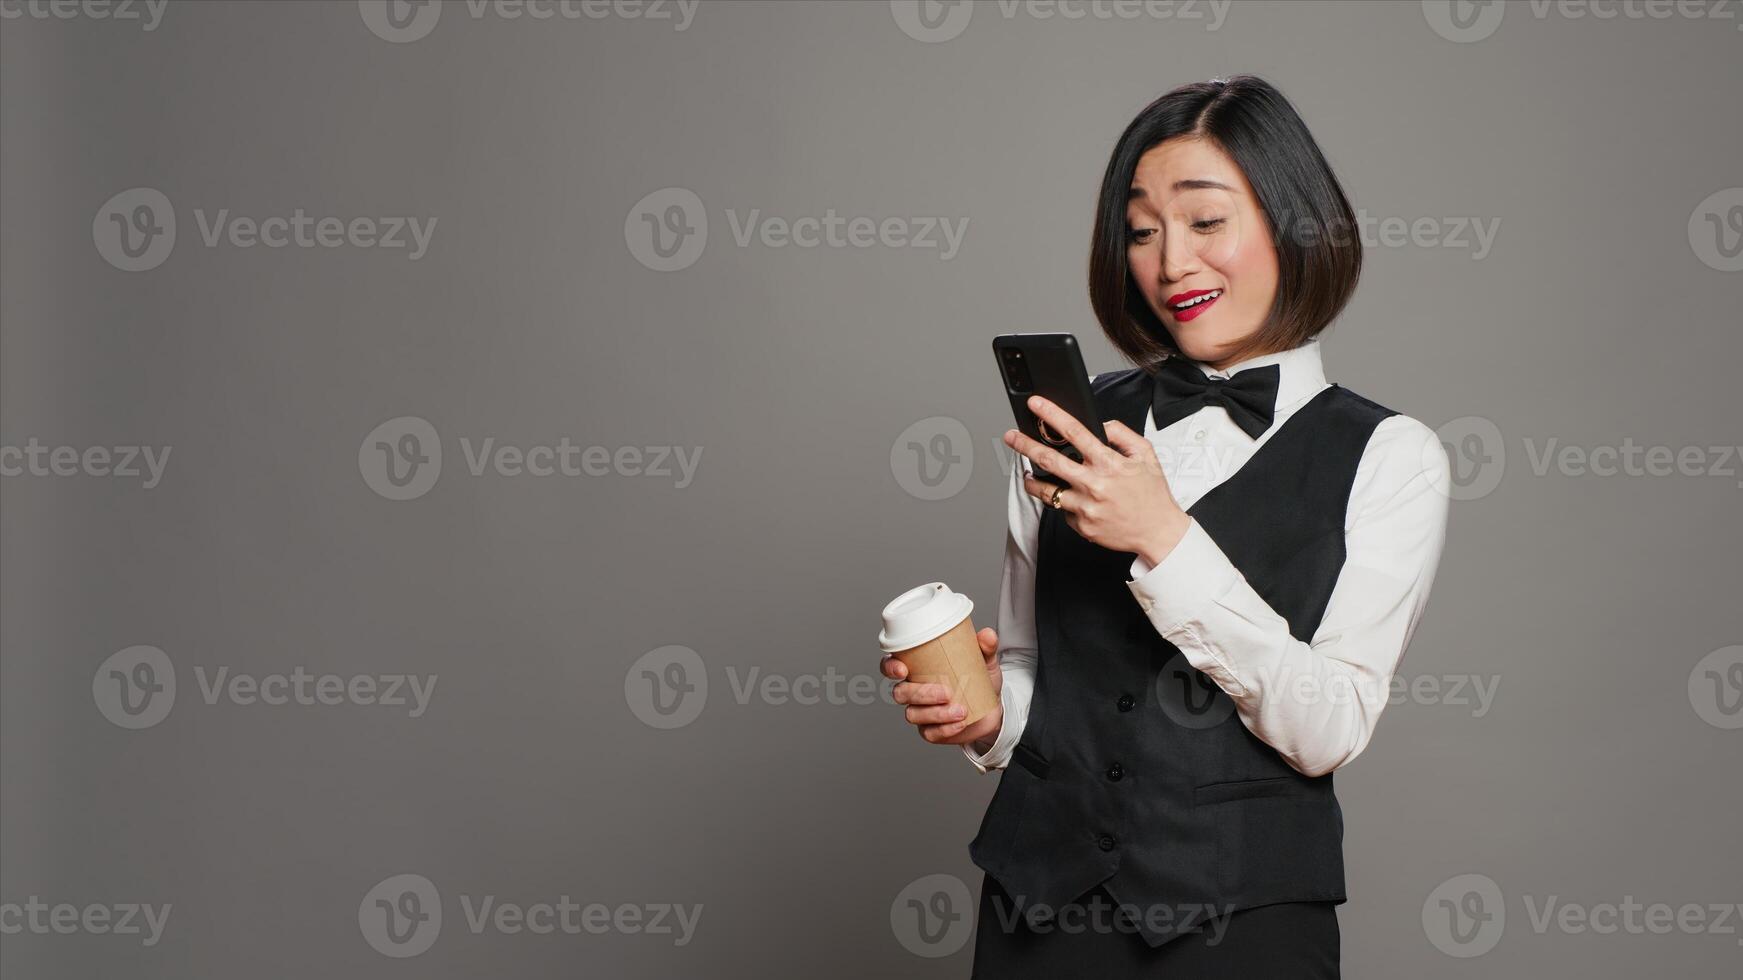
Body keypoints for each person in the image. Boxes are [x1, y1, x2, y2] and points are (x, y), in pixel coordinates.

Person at [880, 75, 1451, 978]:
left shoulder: (1392, 456)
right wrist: (986, 716)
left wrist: (1166, 539)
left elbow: (1330, 724)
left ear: (1294, 222)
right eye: (1141, 231)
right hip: (1038, 912)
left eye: (1205, 221)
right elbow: (1033, 668)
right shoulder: (1066, 423)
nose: (1170, 261)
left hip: (1246, 925)